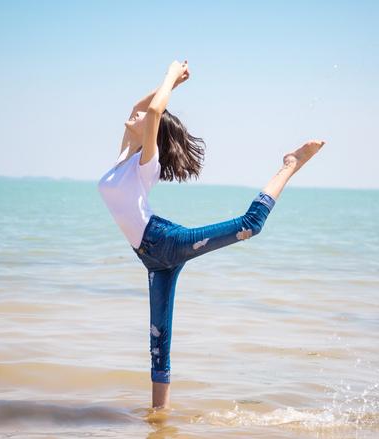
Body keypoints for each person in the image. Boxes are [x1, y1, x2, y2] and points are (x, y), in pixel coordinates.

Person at [97, 60, 325, 409]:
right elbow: (142, 107)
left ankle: (290, 165)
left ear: (151, 134)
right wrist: (177, 84)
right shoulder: (124, 159)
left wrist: (171, 76)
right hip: (151, 258)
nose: (137, 114)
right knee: (159, 345)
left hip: (166, 241)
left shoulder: (146, 163)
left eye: (145, 118)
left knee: (250, 225)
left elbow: (155, 110)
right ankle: (159, 420)